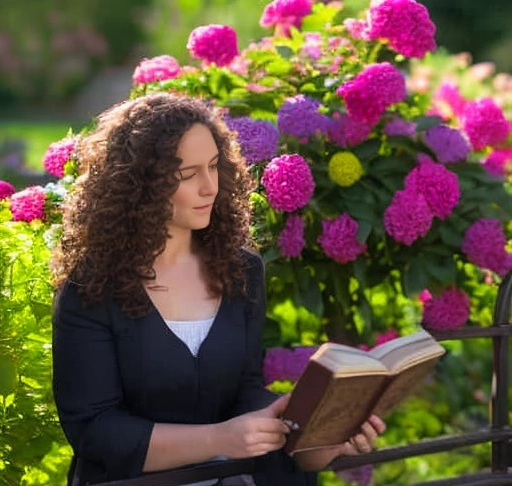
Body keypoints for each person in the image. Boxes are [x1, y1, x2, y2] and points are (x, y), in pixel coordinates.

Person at [51, 92, 385, 486]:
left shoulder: (240, 269)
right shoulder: (90, 288)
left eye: (213, 166)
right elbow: (95, 431)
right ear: (139, 182)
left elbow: (243, 390)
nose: (210, 187)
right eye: (189, 174)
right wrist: (217, 438)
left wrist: (313, 440)